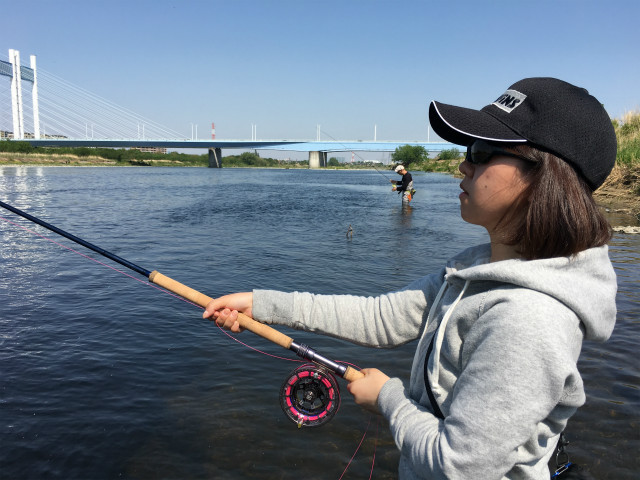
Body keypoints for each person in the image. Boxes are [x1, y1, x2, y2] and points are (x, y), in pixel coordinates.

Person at [203, 77, 617, 479]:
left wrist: (388, 399)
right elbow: (382, 317)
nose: (463, 164)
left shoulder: (529, 319)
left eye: (482, 150)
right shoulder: (475, 269)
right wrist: (262, 304)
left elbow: (459, 466)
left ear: (546, 177)